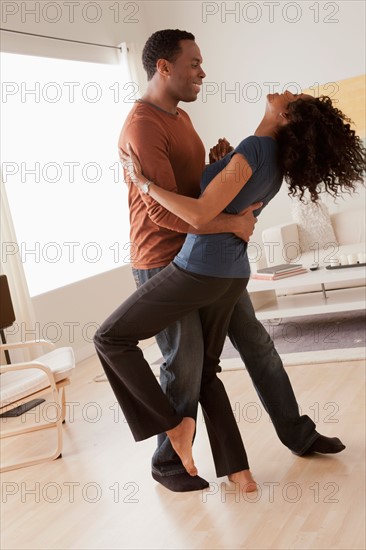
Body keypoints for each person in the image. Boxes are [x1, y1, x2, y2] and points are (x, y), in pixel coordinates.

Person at [98, 30, 361, 493]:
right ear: (164, 67)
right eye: (194, 63)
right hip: (163, 258)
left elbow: (195, 191)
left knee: (256, 345)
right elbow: (163, 211)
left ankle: (296, 435)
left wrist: (219, 169)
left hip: (203, 258)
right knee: (185, 366)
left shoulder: (179, 119)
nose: (202, 71)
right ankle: (168, 460)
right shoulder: (143, 124)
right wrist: (230, 223)